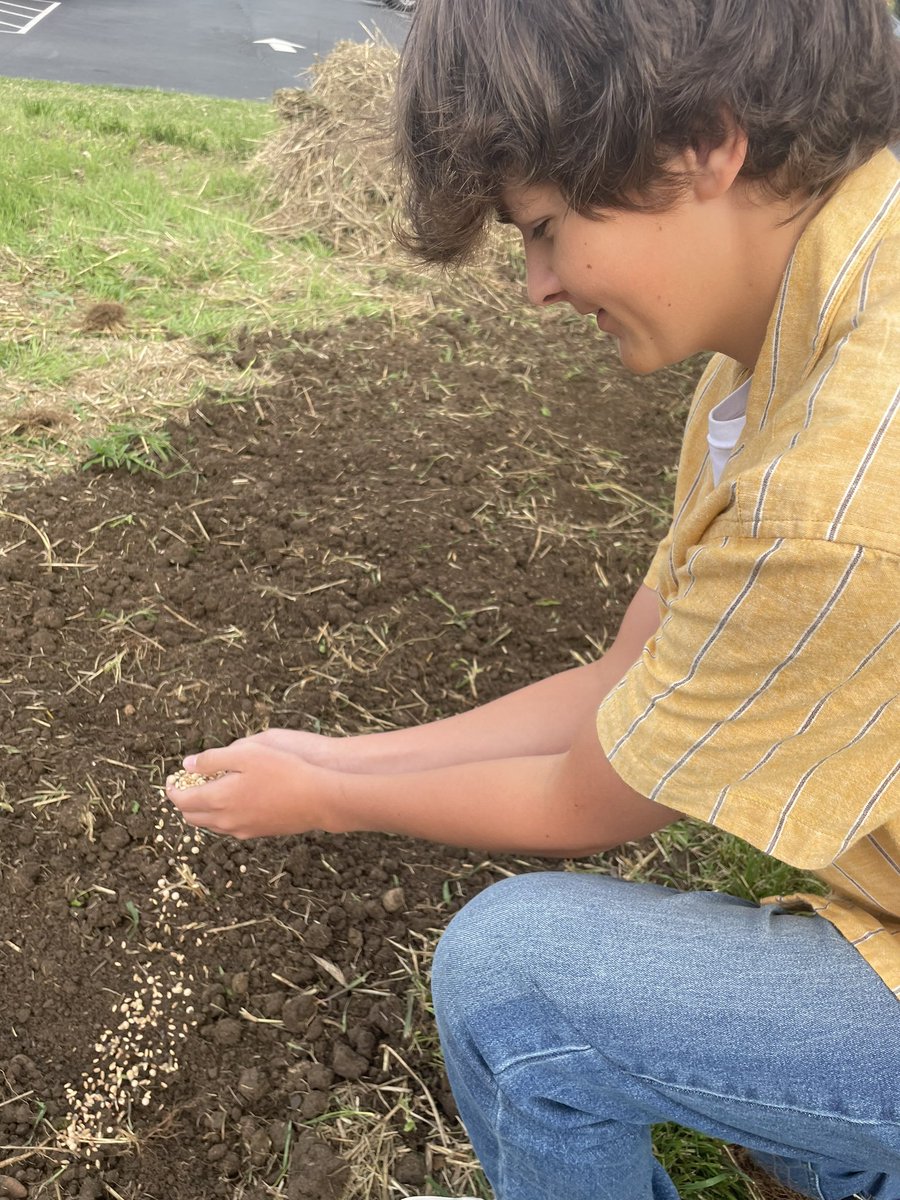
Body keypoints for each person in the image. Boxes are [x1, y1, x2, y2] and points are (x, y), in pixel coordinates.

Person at [166, 1, 900, 1196]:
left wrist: (335, 805)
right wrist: (336, 757)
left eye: (547, 229)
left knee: (519, 978)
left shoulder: (842, 482)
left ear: (704, 142)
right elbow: (622, 682)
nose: (537, 288)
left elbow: (590, 794)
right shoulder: (770, 353)